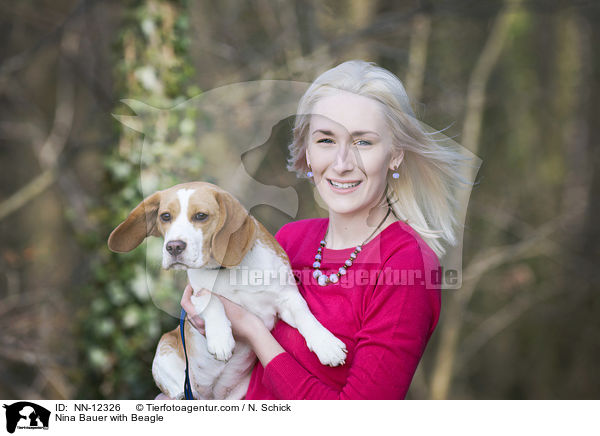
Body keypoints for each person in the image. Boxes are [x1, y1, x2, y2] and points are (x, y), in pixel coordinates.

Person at [179, 60, 474, 400]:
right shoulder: (289, 240)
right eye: (326, 140)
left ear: (394, 155)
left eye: (363, 142)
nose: (342, 163)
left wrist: (255, 334)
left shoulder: (406, 264)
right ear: (306, 152)